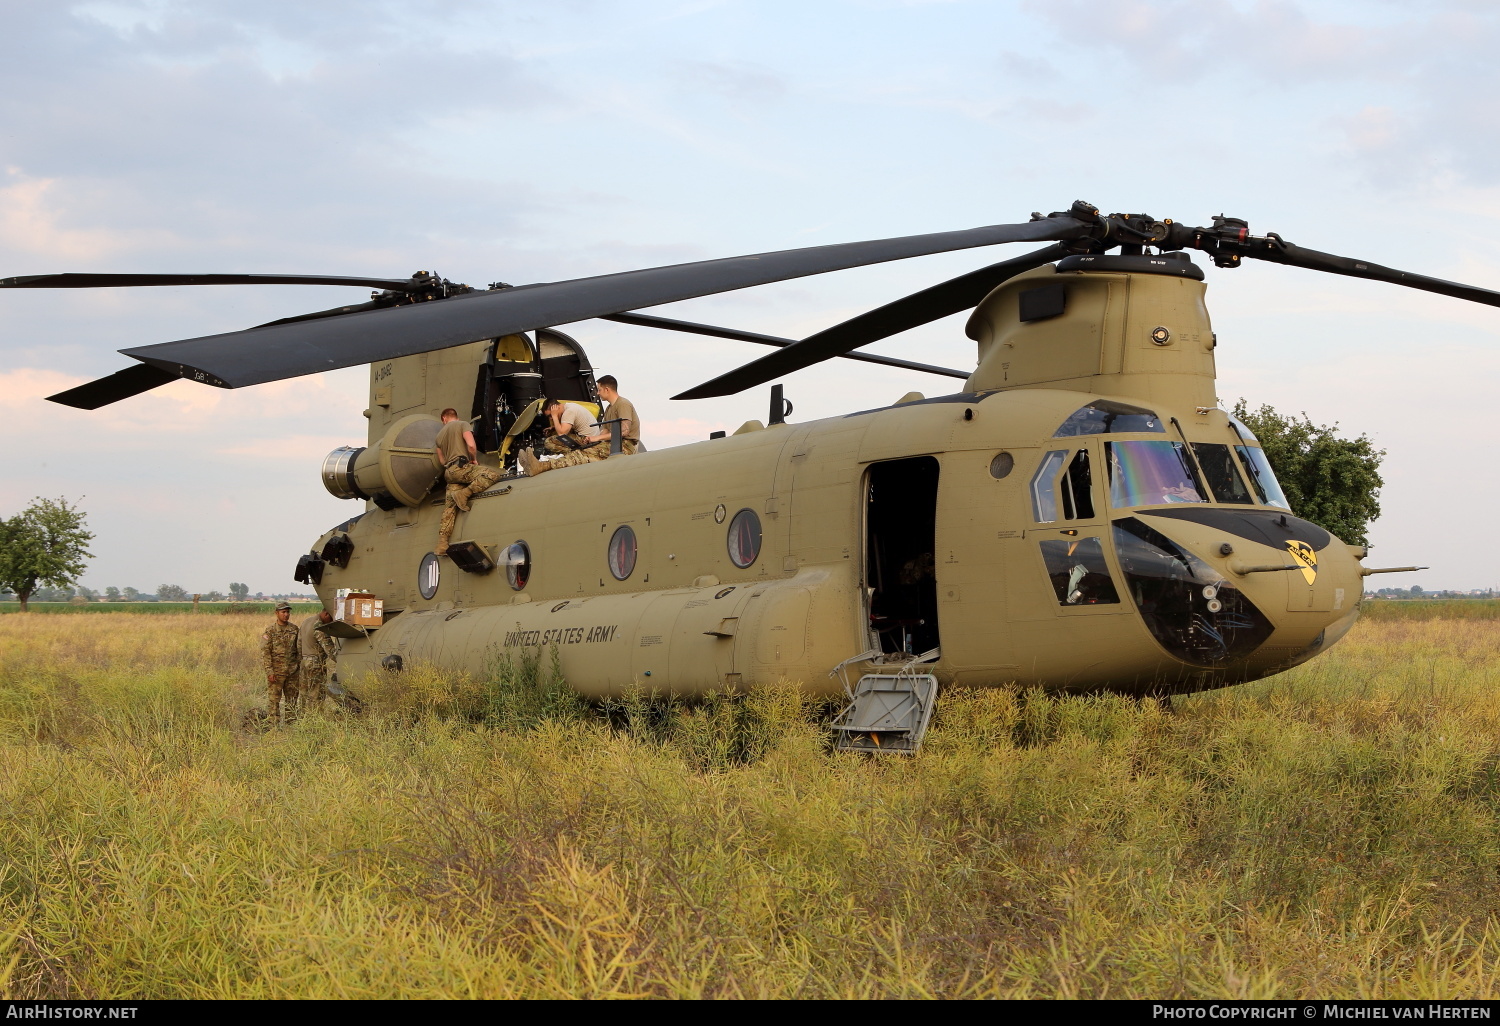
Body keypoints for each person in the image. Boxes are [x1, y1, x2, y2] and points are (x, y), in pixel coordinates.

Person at [433, 407, 501, 556]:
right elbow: (470, 445)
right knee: (493, 475)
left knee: (449, 509)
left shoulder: (439, 436)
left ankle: (442, 545)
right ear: (454, 417)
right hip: (462, 466)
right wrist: (473, 459)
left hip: (449, 472)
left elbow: (442, 460)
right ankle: (465, 494)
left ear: (444, 419)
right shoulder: (462, 424)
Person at [519, 398, 609, 475]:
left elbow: (562, 433)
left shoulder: (569, 411)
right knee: (554, 435)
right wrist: (553, 428)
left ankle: (572, 454)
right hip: (586, 438)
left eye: (550, 415)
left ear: (556, 407)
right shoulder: (570, 407)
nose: (550, 418)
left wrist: (554, 416)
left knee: (550, 442)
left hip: (588, 441)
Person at [260, 601, 302, 726]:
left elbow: (299, 649)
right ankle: (274, 726)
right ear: (276, 613)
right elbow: (265, 653)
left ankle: (291, 726)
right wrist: (269, 671)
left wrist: (299, 667)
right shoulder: (270, 631)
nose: (286, 614)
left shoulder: (294, 629)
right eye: (283, 612)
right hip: (276, 673)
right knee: (274, 701)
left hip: (292, 672)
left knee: (292, 700)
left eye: (288, 612)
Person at [298, 608, 339, 710]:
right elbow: (330, 650)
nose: (332, 622)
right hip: (315, 664)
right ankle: (315, 719)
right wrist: (342, 661)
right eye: (331, 619)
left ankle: (302, 717)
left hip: (304, 662)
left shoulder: (306, 621)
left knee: (303, 693)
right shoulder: (319, 626)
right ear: (326, 614)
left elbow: (299, 643)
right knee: (317, 694)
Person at [596, 376, 640, 456]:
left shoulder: (623, 404)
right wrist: (592, 440)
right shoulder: (609, 408)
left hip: (625, 445)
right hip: (613, 444)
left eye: (599, 390)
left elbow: (624, 431)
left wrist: (598, 438)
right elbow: (605, 429)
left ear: (607, 389)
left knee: (585, 455)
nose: (597, 393)